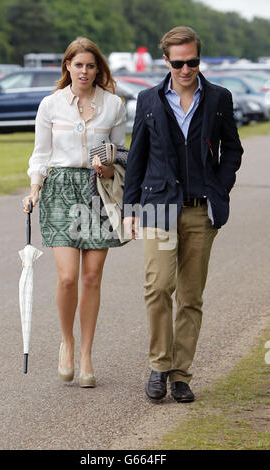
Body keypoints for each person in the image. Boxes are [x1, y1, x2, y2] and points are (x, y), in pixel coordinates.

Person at [123, 26, 243, 402]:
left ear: (198, 58)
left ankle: (180, 374)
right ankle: (159, 365)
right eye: (179, 63)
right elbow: (137, 156)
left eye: (192, 61)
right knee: (158, 287)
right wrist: (129, 208)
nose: (186, 69)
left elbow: (233, 150)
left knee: (191, 296)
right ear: (166, 61)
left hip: (200, 212)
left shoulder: (220, 98)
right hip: (158, 208)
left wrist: (219, 187)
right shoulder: (148, 100)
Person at [22, 37, 126, 388]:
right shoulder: (50, 105)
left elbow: (121, 155)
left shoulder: (113, 105)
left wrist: (107, 168)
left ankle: (86, 356)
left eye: (90, 65)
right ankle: (67, 342)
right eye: (78, 64)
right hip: (59, 191)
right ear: (67, 66)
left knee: (92, 276)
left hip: (97, 192)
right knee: (67, 277)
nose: (84, 71)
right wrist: (34, 188)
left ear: (99, 70)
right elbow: (40, 154)